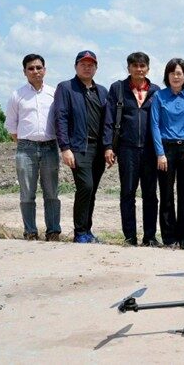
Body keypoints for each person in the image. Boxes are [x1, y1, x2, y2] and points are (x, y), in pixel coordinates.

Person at [103, 52, 161, 247]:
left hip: (150, 150)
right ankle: (130, 237)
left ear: (148, 68)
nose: (139, 69)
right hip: (127, 149)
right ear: (128, 68)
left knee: (150, 195)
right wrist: (108, 146)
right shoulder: (118, 88)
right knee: (127, 193)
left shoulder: (156, 91)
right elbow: (109, 119)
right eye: (135, 66)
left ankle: (150, 237)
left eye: (142, 66)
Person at [4, 53, 61, 241]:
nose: (35, 71)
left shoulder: (54, 93)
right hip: (26, 149)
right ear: (24, 72)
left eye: (38, 67)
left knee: (51, 192)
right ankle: (30, 232)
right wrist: (25, 143)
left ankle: (53, 231)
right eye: (31, 68)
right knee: (27, 193)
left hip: (50, 148)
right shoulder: (17, 95)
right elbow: (11, 126)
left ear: (45, 70)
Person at [54, 50, 108, 243]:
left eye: (91, 65)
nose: (87, 67)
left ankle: (87, 230)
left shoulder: (102, 91)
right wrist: (65, 147)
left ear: (96, 68)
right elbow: (60, 118)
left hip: (98, 149)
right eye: (83, 64)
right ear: (76, 66)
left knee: (91, 191)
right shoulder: (66, 88)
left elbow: (107, 122)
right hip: (78, 147)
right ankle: (80, 233)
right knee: (85, 186)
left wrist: (109, 147)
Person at [150, 58, 184, 249]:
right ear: (167, 76)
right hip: (166, 149)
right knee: (166, 194)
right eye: (172, 73)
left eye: (179, 73)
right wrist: (160, 153)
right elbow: (154, 125)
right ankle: (169, 238)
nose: (176, 77)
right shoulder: (159, 96)